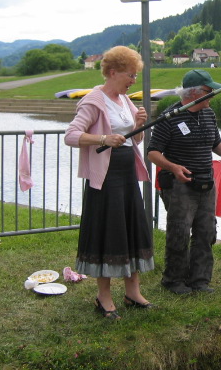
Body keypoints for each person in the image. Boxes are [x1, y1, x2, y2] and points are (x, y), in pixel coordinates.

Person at [64, 46, 155, 320]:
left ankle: (132, 292)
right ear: (113, 72)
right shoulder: (94, 100)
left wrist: (138, 125)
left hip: (127, 176)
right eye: (130, 75)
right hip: (105, 179)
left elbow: (134, 139)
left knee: (130, 229)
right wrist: (103, 139)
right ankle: (103, 297)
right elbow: (71, 135)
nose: (133, 80)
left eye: (135, 75)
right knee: (108, 233)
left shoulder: (125, 100)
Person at [147, 69, 221, 295]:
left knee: (206, 232)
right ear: (194, 93)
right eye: (209, 90)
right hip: (179, 185)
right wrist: (174, 167)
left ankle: (200, 281)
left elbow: (216, 145)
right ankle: (173, 281)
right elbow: (153, 153)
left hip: (206, 183)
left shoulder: (209, 114)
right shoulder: (169, 117)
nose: (213, 94)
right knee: (179, 232)